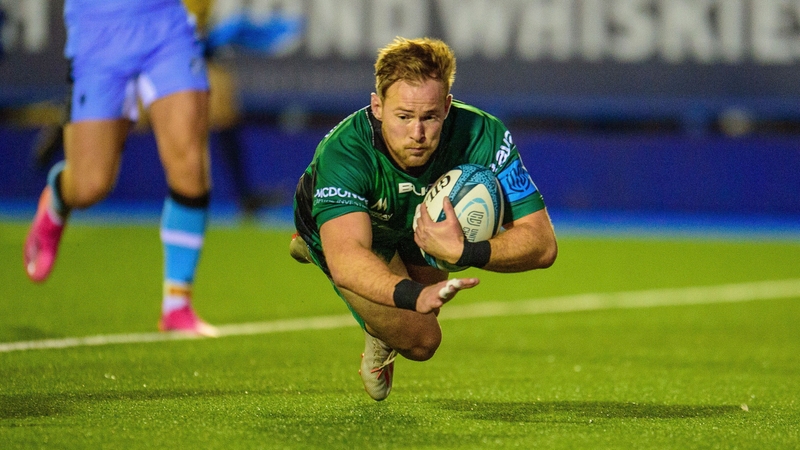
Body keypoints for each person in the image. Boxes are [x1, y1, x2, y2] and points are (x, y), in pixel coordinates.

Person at [289, 37, 558, 401]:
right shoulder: (346, 150)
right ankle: (310, 246)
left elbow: (542, 244)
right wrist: (412, 295)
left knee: (418, 300)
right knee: (422, 340)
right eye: (403, 117)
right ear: (378, 106)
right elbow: (348, 258)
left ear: (447, 106)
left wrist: (467, 252)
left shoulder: (484, 136)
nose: (417, 134)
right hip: (360, 226)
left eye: (429, 117)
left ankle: (382, 324)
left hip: (421, 221)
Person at [23, 0, 217, 336]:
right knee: (90, 185)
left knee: (190, 165)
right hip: (98, 30)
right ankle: (59, 195)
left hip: (165, 25)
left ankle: (177, 304)